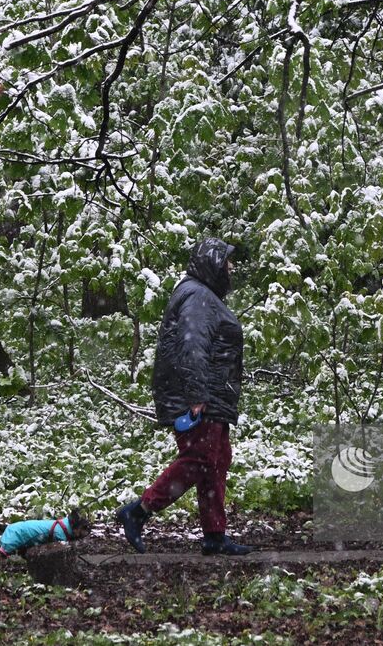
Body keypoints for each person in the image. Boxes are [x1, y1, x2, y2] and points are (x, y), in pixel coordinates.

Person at [115, 238, 252, 555]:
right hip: (200, 397)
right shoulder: (197, 296)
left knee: (215, 461)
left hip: (213, 397)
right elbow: (192, 348)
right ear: (212, 264)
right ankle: (138, 512)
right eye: (227, 264)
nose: (230, 270)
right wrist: (197, 395)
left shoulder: (202, 295)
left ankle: (215, 536)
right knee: (199, 460)